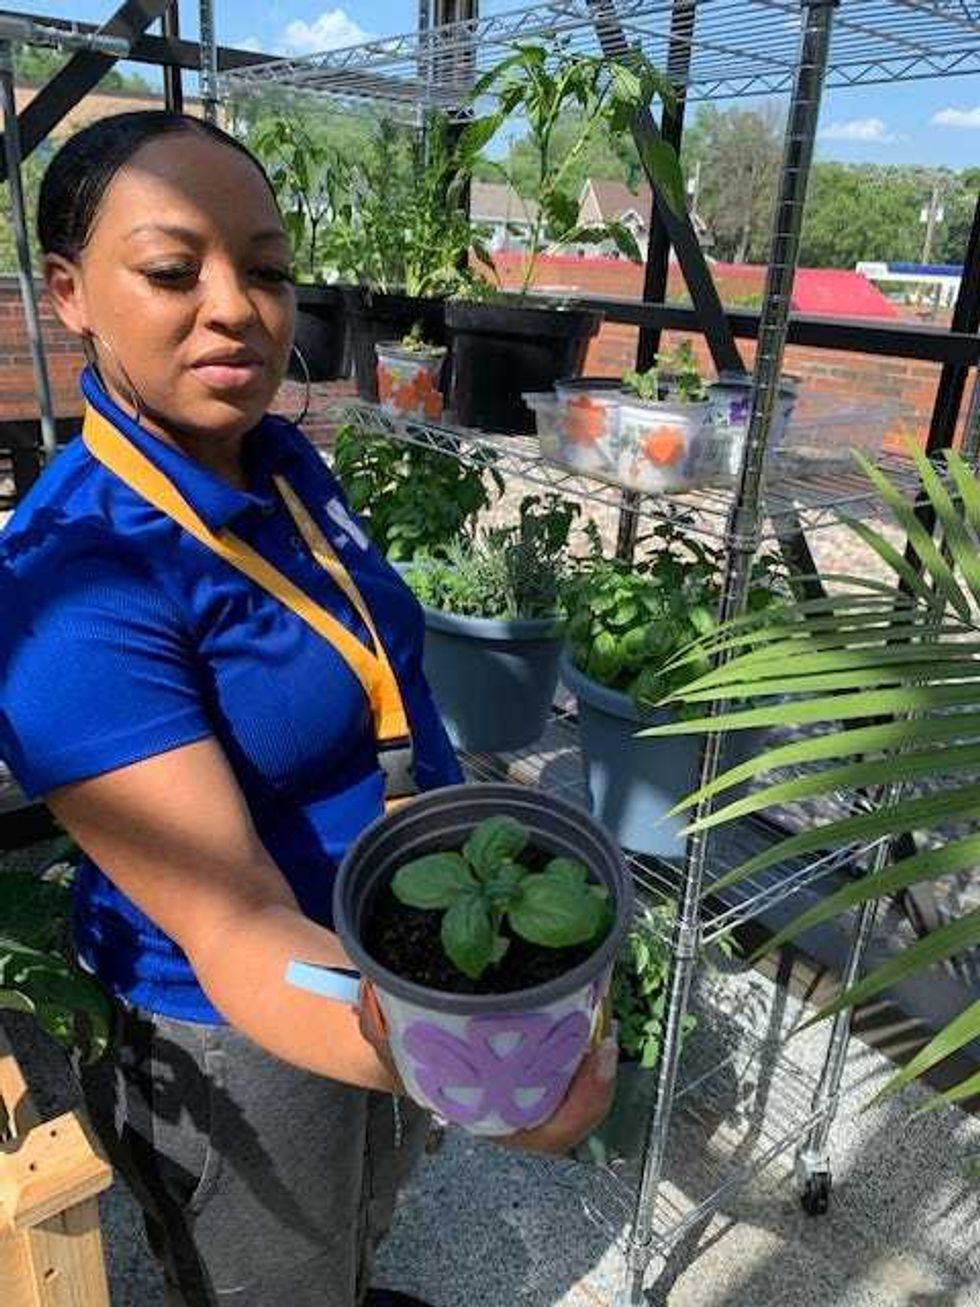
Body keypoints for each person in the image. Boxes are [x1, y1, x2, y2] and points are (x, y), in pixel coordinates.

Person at [0, 112, 617, 1307]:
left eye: (269, 268)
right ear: (71, 293)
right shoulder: (71, 584)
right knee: (265, 1274)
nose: (237, 305)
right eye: (174, 270)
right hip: (240, 1022)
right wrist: (470, 1060)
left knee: (363, 1214)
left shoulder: (278, 460)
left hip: (388, 951)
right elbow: (228, 923)